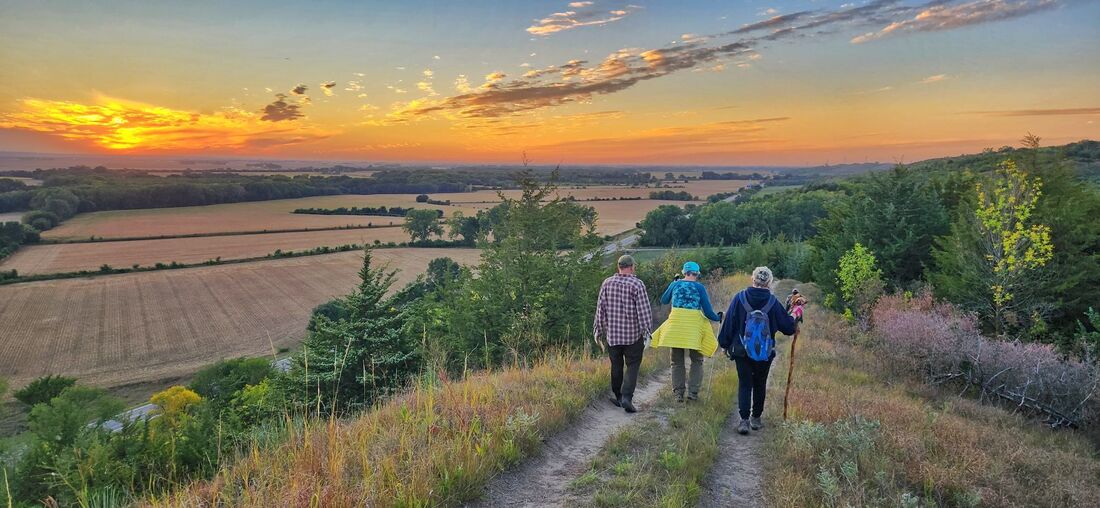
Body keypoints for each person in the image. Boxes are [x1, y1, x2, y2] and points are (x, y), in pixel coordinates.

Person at [718, 266, 797, 434]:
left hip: (741, 351)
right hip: (765, 353)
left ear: (752, 279)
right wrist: (795, 314)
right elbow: (789, 328)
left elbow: (729, 324)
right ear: (769, 282)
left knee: (745, 384)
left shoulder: (739, 298)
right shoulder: (773, 302)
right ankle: (756, 418)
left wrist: (724, 345)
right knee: (760, 383)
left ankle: (744, 421)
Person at [651, 261, 722, 402]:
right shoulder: (700, 288)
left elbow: (664, 300)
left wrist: (673, 283)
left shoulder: (676, 284)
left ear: (684, 272)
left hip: (676, 327)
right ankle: (693, 393)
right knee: (697, 361)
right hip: (693, 329)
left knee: (677, 362)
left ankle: (678, 394)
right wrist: (718, 317)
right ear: (697, 274)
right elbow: (708, 312)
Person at [593, 254, 653, 413]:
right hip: (632, 335)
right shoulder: (637, 284)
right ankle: (627, 397)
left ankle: (618, 396)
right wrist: (647, 333)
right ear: (632, 267)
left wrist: (598, 331)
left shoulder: (607, 283)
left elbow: (601, 309)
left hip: (613, 335)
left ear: (618, 267)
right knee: (633, 365)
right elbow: (644, 311)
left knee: (616, 365)